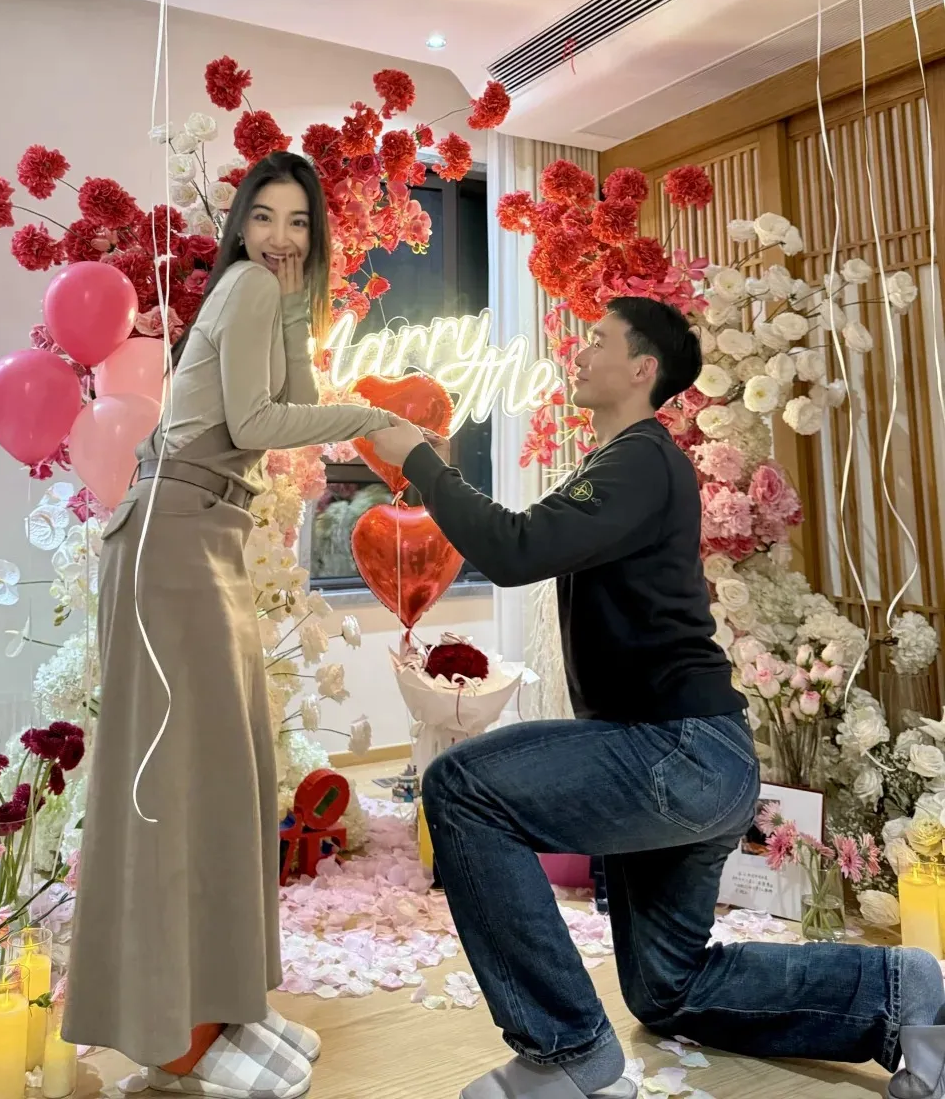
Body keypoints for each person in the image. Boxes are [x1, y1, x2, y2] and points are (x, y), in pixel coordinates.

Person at [369, 296, 945, 1099]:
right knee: (668, 990)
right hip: (687, 756)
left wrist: (423, 463)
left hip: (677, 751)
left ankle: (565, 1053)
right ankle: (901, 992)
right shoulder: (618, 465)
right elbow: (520, 535)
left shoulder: (642, 459)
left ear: (643, 368)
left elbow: (513, 549)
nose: (579, 353)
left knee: (461, 787)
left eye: (597, 341)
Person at [65, 152, 395, 1099]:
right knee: (180, 778)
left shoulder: (266, 296)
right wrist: (374, 415)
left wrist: (296, 315)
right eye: (265, 217)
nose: (280, 238)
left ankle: (224, 1003)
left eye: (299, 222)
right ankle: (176, 1035)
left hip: (196, 533)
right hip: (175, 536)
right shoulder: (245, 285)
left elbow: (284, 402)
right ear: (241, 225)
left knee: (220, 773)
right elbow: (255, 424)